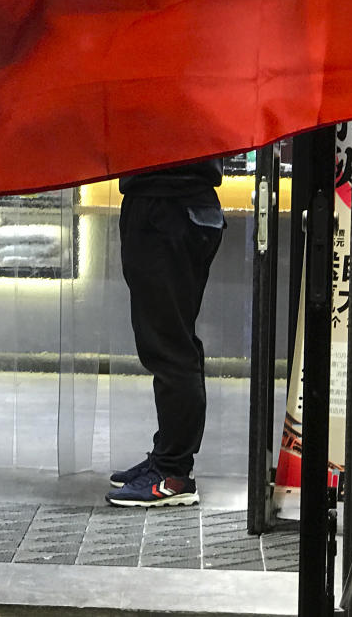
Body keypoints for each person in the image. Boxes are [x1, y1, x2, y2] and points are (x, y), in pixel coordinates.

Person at [105, 159, 225, 507]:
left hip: (166, 202)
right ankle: (168, 459)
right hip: (186, 202)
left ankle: (173, 474)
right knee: (175, 339)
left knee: (168, 344)